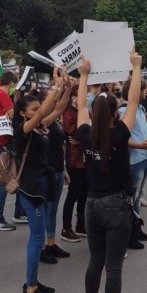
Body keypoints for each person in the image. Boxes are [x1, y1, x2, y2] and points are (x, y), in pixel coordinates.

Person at [77, 50, 142, 293]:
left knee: (95, 260)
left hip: (92, 205)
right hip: (116, 205)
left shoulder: (85, 134)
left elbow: (79, 106)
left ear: (92, 114)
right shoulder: (120, 134)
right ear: (116, 113)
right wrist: (136, 68)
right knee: (113, 266)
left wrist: (83, 76)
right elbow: (136, 101)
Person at [13, 67, 64, 293]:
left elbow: (58, 108)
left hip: (42, 185)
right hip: (30, 188)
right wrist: (54, 86)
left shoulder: (40, 126)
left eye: (36, 108)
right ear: (23, 113)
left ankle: (33, 282)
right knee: (37, 238)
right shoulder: (22, 130)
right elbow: (45, 108)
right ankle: (30, 289)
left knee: (39, 234)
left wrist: (66, 85)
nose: (37, 112)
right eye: (32, 110)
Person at [119, 76, 147, 248]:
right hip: (135, 159)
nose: (145, 92)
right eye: (142, 89)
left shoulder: (140, 108)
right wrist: (140, 145)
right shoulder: (123, 111)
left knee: (139, 196)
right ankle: (129, 234)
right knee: (131, 198)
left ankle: (137, 227)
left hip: (146, 156)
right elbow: (120, 138)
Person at [42, 82, 73, 264]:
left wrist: (65, 168)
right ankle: (42, 246)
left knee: (53, 209)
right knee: (45, 209)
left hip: (59, 168)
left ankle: (51, 242)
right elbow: (59, 107)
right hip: (47, 171)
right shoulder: (43, 121)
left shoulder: (56, 121)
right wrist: (61, 87)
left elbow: (60, 147)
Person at [0, 71, 19, 231]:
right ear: (12, 84)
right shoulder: (3, 96)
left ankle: (19, 211)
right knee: (6, 179)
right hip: (5, 140)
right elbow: (11, 114)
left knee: (11, 175)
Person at [61, 86, 87, 242]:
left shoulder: (86, 112)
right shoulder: (69, 113)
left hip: (85, 159)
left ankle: (81, 224)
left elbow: (90, 132)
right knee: (73, 194)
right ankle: (66, 227)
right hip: (74, 159)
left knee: (84, 193)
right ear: (73, 97)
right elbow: (78, 134)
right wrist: (84, 137)